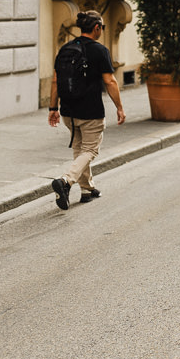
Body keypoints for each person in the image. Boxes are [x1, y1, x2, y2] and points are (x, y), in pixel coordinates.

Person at [47, 11, 125, 210]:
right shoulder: (100, 50)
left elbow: (55, 80)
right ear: (97, 28)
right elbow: (110, 81)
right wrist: (120, 107)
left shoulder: (65, 49)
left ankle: (87, 189)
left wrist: (52, 107)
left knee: (79, 149)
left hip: (68, 111)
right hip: (90, 110)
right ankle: (66, 181)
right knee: (90, 150)